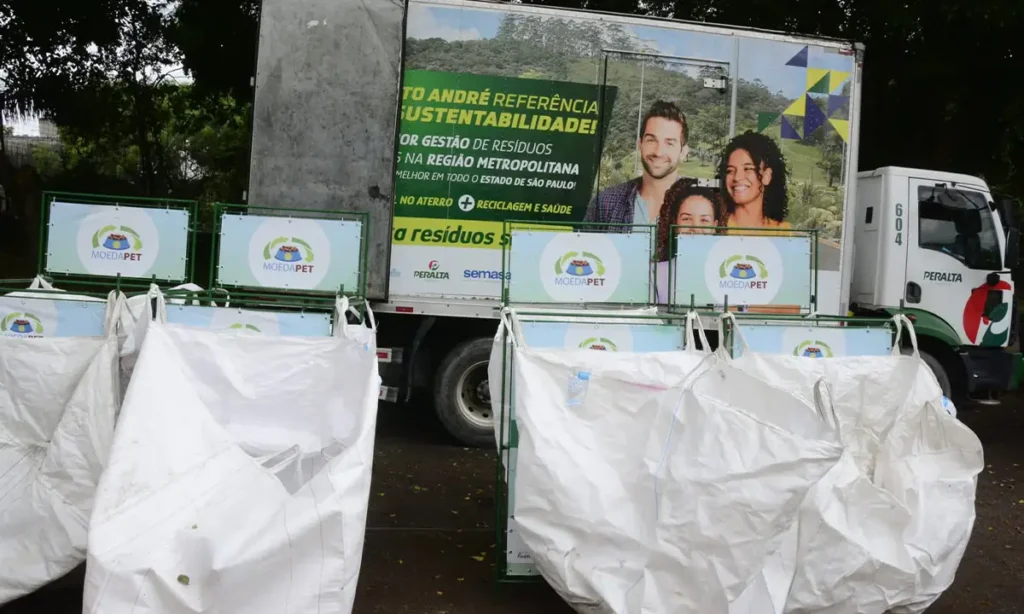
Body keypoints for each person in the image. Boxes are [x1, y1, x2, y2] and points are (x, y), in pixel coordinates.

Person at [581, 100, 689, 231]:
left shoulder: (700, 208)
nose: (658, 152)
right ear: (640, 144)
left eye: (669, 143)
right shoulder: (605, 203)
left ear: (683, 152)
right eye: (651, 140)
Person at [653, 180, 723, 303]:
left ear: (714, 226)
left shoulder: (729, 275)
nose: (695, 228)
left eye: (704, 220)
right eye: (686, 219)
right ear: (675, 223)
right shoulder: (654, 273)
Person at [718, 131, 791, 232]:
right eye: (730, 170)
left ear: (767, 176)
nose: (737, 177)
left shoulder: (782, 232)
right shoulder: (714, 228)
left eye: (748, 168)